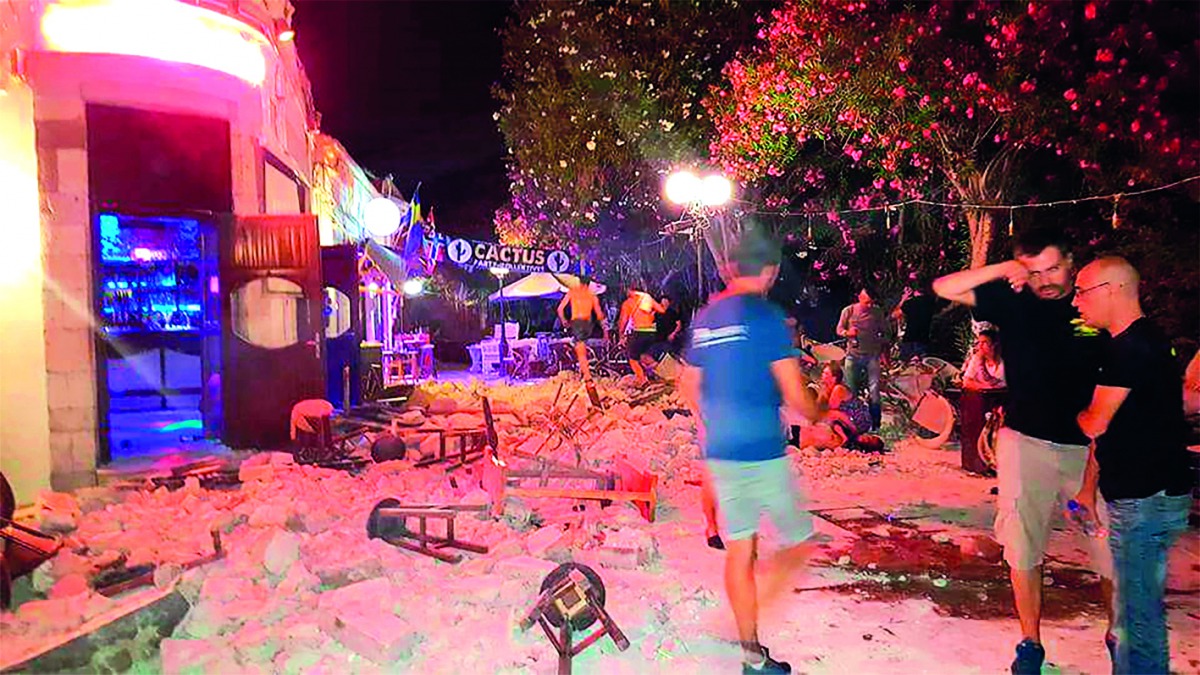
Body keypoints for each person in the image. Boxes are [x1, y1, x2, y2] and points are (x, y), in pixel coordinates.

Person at [933, 227, 1113, 674]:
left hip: (1088, 447)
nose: (1045, 279)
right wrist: (1004, 269)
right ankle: (1030, 644)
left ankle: (1119, 635)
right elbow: (944, 287)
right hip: (1023, 440)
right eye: (1035, 271)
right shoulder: (1013, 301)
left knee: (1109, 546)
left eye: (1053, 267)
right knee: (1022, 543)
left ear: (1071, 263)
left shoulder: (1091, 303)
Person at [679, 224, 820, 675]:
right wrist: (820, 414)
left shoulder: (706, 317)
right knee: (797, 544)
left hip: (721, 449)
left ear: (731, 268)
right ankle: (739, 623)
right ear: (772, 271)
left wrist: (711, 423)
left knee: (741, 549)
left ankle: (751, 654)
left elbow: (688, 384)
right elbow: (797, 396)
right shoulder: (766, 318)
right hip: (761, 450)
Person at [1071, 257, 1192, 675]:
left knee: (1137, 615)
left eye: (1082, 291)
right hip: (1154, 492)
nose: (1075, 302)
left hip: (1144, 498)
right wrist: (1089, 487)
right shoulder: (1144, 341)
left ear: (1112, 289)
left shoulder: (1130, 350)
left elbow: (1094, 422)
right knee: (1135, 609)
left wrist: (1073, 410)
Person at [836, 287, 890, 429]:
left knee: (874, 391)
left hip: (872, 355)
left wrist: (880, 341)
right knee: (851, 391)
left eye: (872, 303)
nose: (870, 306)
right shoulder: (849, 311)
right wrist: (848, 333)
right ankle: (852, 425)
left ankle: (876, 426)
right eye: (867, 303)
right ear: (860, 298)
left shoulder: (877, 312)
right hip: (853, 355)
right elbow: (839, 329)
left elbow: (886, 332)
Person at [556, 275, 608, 382]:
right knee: (582, 348)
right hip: (589, 324)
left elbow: (560, 309)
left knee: (581, 351)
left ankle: (587, 376)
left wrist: (564, 321)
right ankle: (586, 371)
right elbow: (599, 315)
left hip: (578, 322)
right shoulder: (592, 295)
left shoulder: (573, 293)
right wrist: (605, 332)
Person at [618, 285, 665, 387]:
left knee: (632, 359)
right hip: (651, 332)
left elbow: (623, 321)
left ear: (629, 291)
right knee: (643, 355)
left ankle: (643, 381)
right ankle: (664, 373)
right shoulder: (647, 299)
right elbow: (662, 310)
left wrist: (621, 335)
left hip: (639, 331)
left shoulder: (628, 303)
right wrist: (652, 313)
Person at [891, 286, 939, 361]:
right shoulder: (931, 302)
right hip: (923, 339)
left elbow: (894, 315)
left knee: (906, 365)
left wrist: (903, 299)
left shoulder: (911, 303)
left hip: (910, 339)